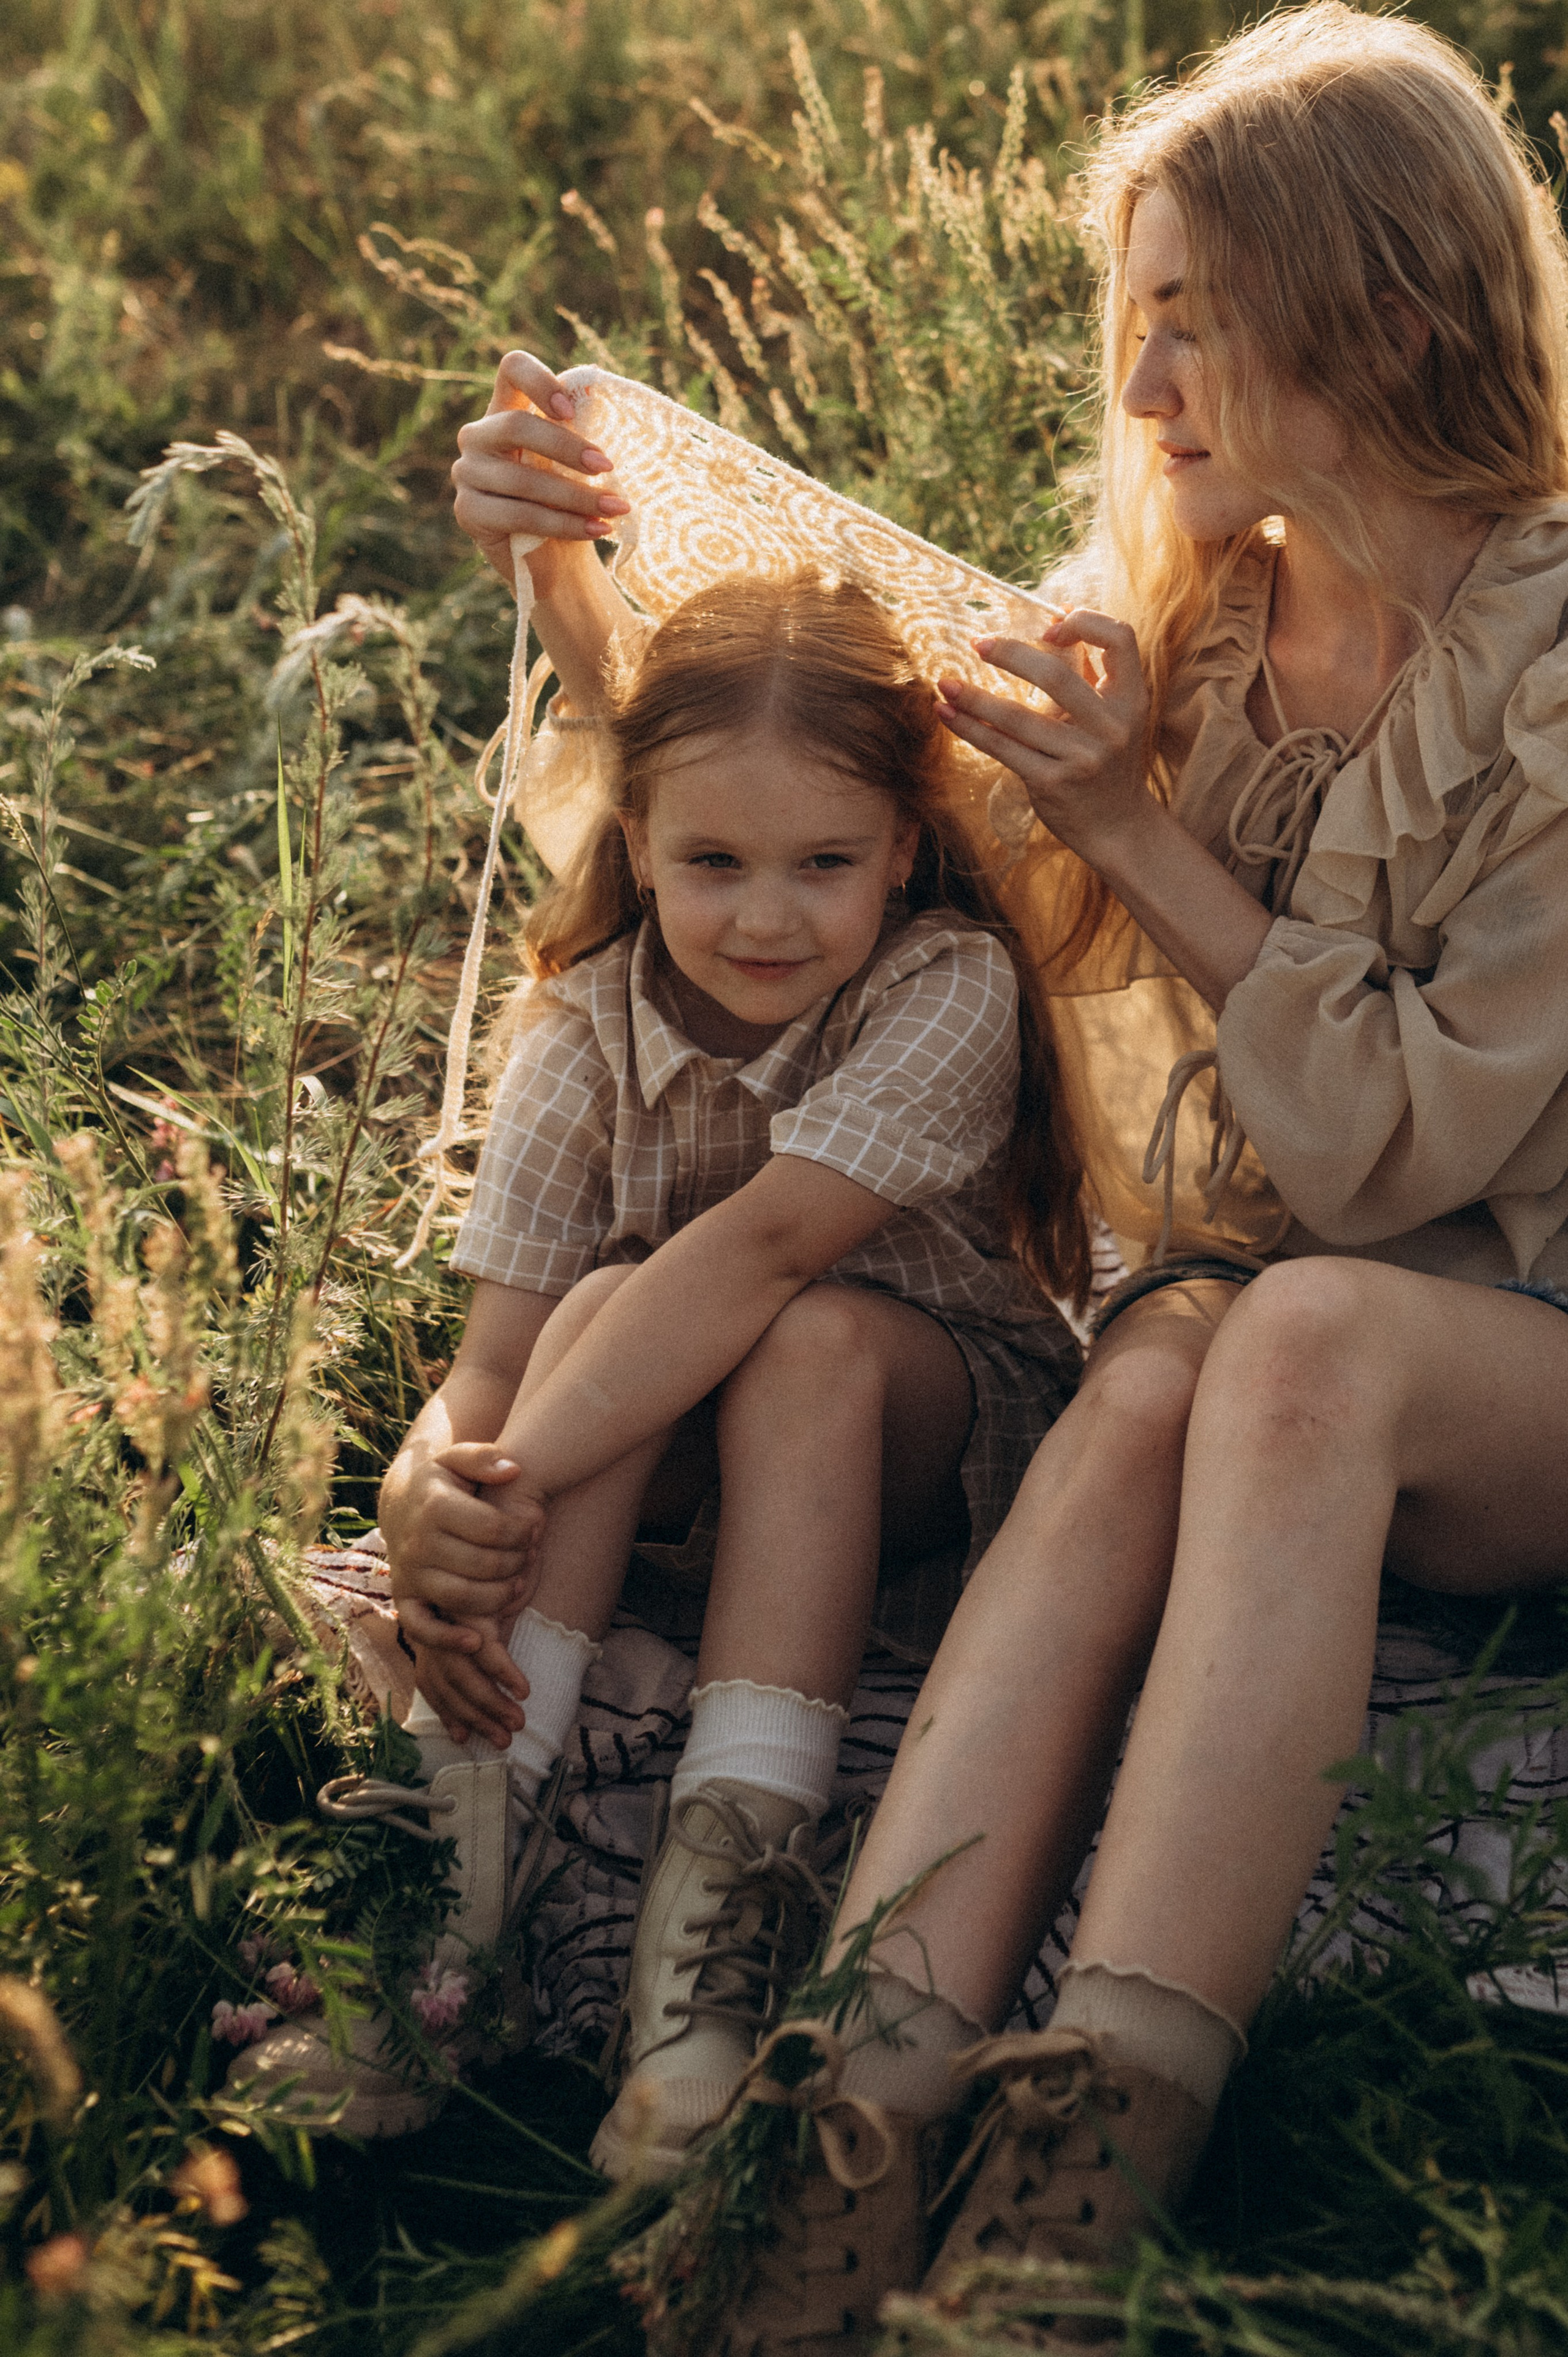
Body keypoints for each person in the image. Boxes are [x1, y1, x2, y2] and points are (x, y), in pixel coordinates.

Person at [448, 2, 1568, 2344]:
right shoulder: (1207, 599)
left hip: (1520, 1345)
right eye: (1130, 316)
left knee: (1297, 1330)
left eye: (1194, 318)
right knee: (1166, 1358)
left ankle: (1067, 2216)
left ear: (1380, 307)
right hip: (1293, 1329)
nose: (1143, 385)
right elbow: (840, 817)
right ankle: (841, 2131)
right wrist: (575, 589)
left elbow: (1395, 1153)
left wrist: (1129, 820)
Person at [235, 566, 1087, 2165]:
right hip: (665, 1444)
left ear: (904, 847)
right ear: (633, 842)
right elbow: (495, 1359)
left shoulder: (946, 985)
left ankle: (702, 1977)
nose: (766, 916)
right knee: (590, 1311)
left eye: (823, 864)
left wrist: (510, 1477)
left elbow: (760, 1258)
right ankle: (440, 1905)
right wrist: (432, 1493)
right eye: (712, 861)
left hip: (915, 1444)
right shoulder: (582, 1024)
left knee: (791, 1337)